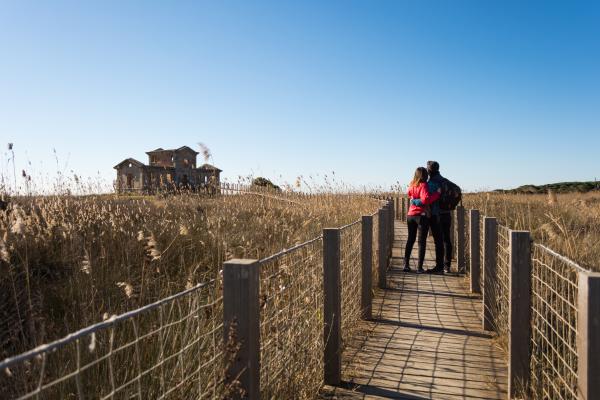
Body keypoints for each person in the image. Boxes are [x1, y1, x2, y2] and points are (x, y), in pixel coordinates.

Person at [412, 161, 454, 274]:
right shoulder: (444, 181)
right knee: (446, 239)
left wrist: (413, 201)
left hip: (436, 215)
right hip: (447, 214)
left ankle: (439, 267)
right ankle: (447, 266)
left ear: (429, 170)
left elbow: (425, 200)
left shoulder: (430, 183)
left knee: (437, 241)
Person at [404, 167, 441, 273]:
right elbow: (426, 199)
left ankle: (406, 265)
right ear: (425, 175)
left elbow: (409, 195)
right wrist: (437, 194)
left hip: (410, 215)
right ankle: (419, 268)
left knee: (410, 239)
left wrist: (414, 201)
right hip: (421, 216)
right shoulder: (423, 185)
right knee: (421, 242)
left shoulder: (412, 184)